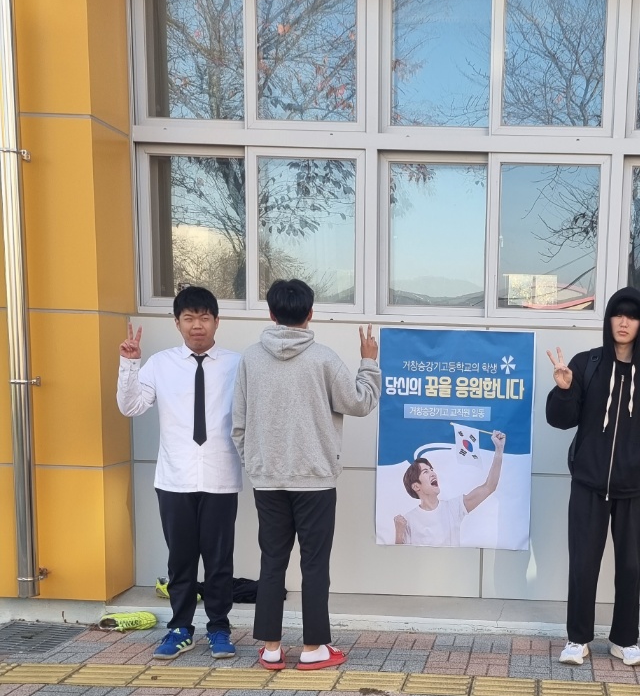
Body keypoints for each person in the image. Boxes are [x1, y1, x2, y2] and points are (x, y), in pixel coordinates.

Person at [231, 279, 380, 671]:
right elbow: (360, 403)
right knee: (314, 564)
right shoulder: (324, 359)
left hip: (268, 480)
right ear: (310, 313)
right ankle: (314, 648)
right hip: (316, 480)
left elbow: (239, 424)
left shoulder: (250, 359)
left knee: (271, 562)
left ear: (271, 313)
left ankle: (271, 648)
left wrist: (256, 464)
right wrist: (368, 362)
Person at [545, 287, 640, 666]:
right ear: (608, 320)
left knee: (630, 566)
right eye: (618, 314)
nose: (624, 322)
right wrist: (564, 390)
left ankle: (625, 640)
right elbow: (560, 419)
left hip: (633, 486)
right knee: (583, 563)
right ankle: (577, 639)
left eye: (632, 316)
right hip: (588, 483)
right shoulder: (587, 364)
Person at [116, 287, 241, 661]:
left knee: (219, 562)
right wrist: (129, 365)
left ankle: (219, 629)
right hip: (174, 479)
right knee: (181, 560)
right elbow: (130, 406)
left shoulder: (238, 365)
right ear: (177, 323)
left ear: (217, 321)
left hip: (221, 477)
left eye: (204, 318)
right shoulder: (160, 364)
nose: (197, 325)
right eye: (189, 318)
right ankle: (180, 629)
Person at [395, 433, 506, 545]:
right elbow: (400, 554)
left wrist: (499, 450)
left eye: (431, 469)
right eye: (425, 472)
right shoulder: (408, 520)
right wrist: (399, 532)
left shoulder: (453, 508)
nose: (433, 473)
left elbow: (489, 487)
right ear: (416, 486)